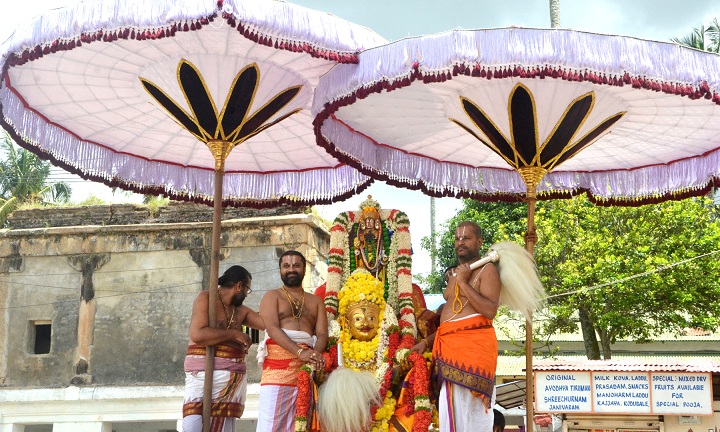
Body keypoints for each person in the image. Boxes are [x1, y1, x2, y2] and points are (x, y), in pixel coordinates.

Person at [417, 221, 502, 432]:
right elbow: (450, 320)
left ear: (480, 241)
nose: (460, 242)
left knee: (470, 418)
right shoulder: (455, 273)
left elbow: (490, 310)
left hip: (471, 353)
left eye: (466, 238)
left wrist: (463, 282)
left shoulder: (487, 269)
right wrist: (426, 343)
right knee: (450, 418)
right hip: (447, 351)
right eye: (457, 238)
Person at [182, 265, 264, 432]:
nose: (246, 296)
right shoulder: (206, 298)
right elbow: (197, 334)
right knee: (192, 425)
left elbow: (267, 323)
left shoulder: (241, 311)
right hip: (202, 375)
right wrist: (234, 334)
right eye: (247, 291)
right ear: (239, 286)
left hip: (230, 382)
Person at [257, 250, 328, 432]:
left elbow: (321, 335)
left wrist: (313, 354)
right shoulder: (272, 297)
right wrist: (300, 352)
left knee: (303, 425)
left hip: (306, 370)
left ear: (304, 269)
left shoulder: (316, 302)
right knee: (270, 425)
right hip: (277, 370)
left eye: (296, 265)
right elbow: (272, 328)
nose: (291, 270)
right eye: (286, 266)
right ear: (280, 270)